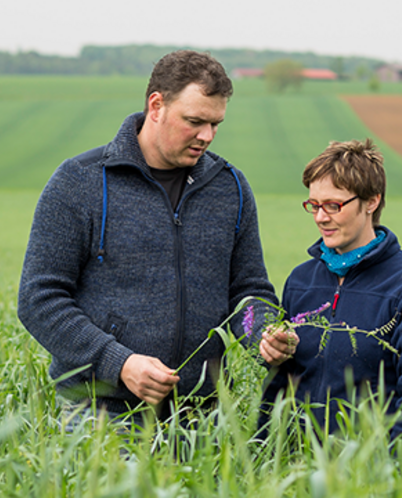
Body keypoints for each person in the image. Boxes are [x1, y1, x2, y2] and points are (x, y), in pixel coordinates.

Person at [17, 50, 277, 421]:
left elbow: (249, 290)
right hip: (100, 408)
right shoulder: (80, 181)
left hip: (204, 412)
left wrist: (264, 334)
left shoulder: (230, 188)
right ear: (156, 105)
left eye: (216, 124)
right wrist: (118, 363)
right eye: (194, 121)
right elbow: (38, 299)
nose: (207, 136)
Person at [259, 139, 402, 451]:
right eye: (314, 205)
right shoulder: (301, 281)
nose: (321, 217)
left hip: (369, 469)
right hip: (298, 466)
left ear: (371, 201)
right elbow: (280, 384)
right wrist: (263, 453)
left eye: (333, 205)